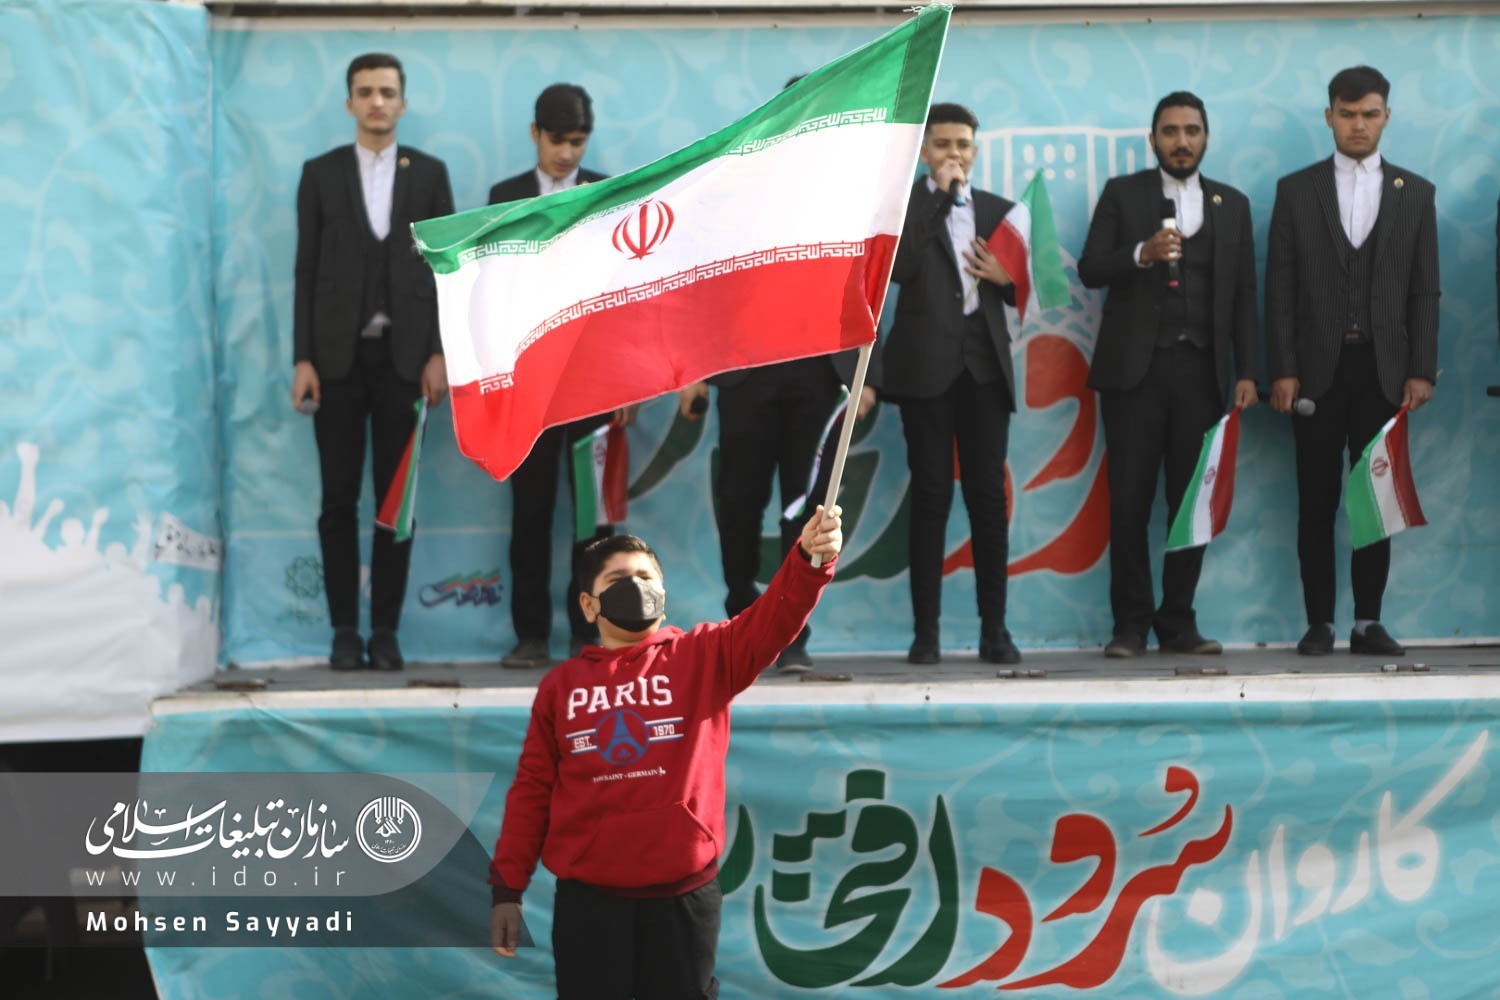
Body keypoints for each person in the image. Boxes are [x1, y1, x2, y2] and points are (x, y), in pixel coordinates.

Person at [487, 505, 843, 999]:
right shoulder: (560, 686)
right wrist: (507, 889)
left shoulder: (706, 655)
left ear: (663, 595)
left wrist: (809, 560)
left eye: (645, 576)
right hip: (589, 905)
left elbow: (775, 617)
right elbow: (532, 791)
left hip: (684, 899)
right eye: (618, 579)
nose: (635, 586)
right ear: (588, 605)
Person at [1266, 65, 1439, 657]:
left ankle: (1367, 622)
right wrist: (1282, 368)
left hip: (1385, 372)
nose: (1358, 125)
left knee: (1375, 500)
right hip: (1315, 373)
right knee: (1316, 501)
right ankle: (1319, 623)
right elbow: (1279, 287)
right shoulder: (1296, 190)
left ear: (1386, 116)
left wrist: (1421, 368)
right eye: (1347, 114)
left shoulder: (1416, 193)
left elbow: (1424, 289)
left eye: (1369, 114)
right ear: (1329, 117)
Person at [1078, 91, 1259, 658]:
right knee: (1129, 503)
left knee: (1191, 503)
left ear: (1206, 137)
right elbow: (1090, 268)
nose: (1182, 141)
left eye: (1192, 131)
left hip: (1203, 375)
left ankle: (1178, 622)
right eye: (1171, 131)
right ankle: (1130, 625)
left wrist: (1249, 371)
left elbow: (1244, 295)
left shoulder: (1233, 204)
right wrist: (1141, 253)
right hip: (1134, 375)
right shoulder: (1123, 194)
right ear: (1153, 138)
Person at [292, 52, 453, 671]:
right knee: (338, 500)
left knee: (396, 503)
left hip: (406, 362)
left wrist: (439, 351)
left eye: (387, 91)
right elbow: (305, 270)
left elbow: (445, 268)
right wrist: (303, 358)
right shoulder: (320, 174)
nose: (377, 102)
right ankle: (342, 630)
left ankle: (385, 630)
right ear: (349, 103)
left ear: (403, 103)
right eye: (365, 92)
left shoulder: (430, 174)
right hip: (335, 363)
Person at [488, 83, 636, 669]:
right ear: (534, 134)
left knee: (594, 521)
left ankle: (591, 633)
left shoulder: (606, 193)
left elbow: (622, 296)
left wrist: (627, 382)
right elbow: (491, 293)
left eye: (577, 142)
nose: (566, 153)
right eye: (557, 141)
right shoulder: (504, 197)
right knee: (530, 512)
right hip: (528, 386)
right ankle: (530, 635)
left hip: (593, 384)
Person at [879, 102, 1020, 666]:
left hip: (985, 370)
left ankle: (995, 630)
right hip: (924, 372)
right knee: (931, 496)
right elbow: (899, 269)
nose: (953, 154)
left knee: (988, 498)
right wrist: (939, 197)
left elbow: (1031, 285)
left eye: (963, 145)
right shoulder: (904, 205)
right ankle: (926, 634)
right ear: (924, 152)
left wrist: (1006, 279)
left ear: (976, 150)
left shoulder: (1001, 212)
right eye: (942, 145)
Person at [677, 359, 875, 675]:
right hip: (747, 365)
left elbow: (868, 321)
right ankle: (742, 620)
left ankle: (792, 635)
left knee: (808, 510)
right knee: (739, 502)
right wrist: (691, 372)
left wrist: (867, 376)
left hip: (818, 367)